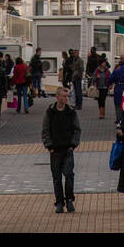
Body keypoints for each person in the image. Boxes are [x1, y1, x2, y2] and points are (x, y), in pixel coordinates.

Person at [42, 84, 81, 214]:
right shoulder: (50, 112)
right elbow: (45, 130)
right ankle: (59, 202)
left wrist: (73, 145)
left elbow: (77, 129)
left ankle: (69, 199)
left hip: (67, 149)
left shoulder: (71, 112)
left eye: (67, 96)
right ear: (57, 97)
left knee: (69, 174)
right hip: (55, 150)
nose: (66, 98)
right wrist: (49, 146)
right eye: (64, 96)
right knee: (56, 177)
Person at [93, 55, 111, 119]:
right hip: (98, 87)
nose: (105, 64)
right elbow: (93, 78)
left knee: (103, 100)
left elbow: (110, 78)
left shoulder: (107, 70)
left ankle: (102, 114)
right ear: (101, 63)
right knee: (99, 100)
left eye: (105, 63)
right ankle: (101, 112)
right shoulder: (97, 70)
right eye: (103, 63)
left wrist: (110, 84)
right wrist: (96, 78)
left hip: (105, 87)